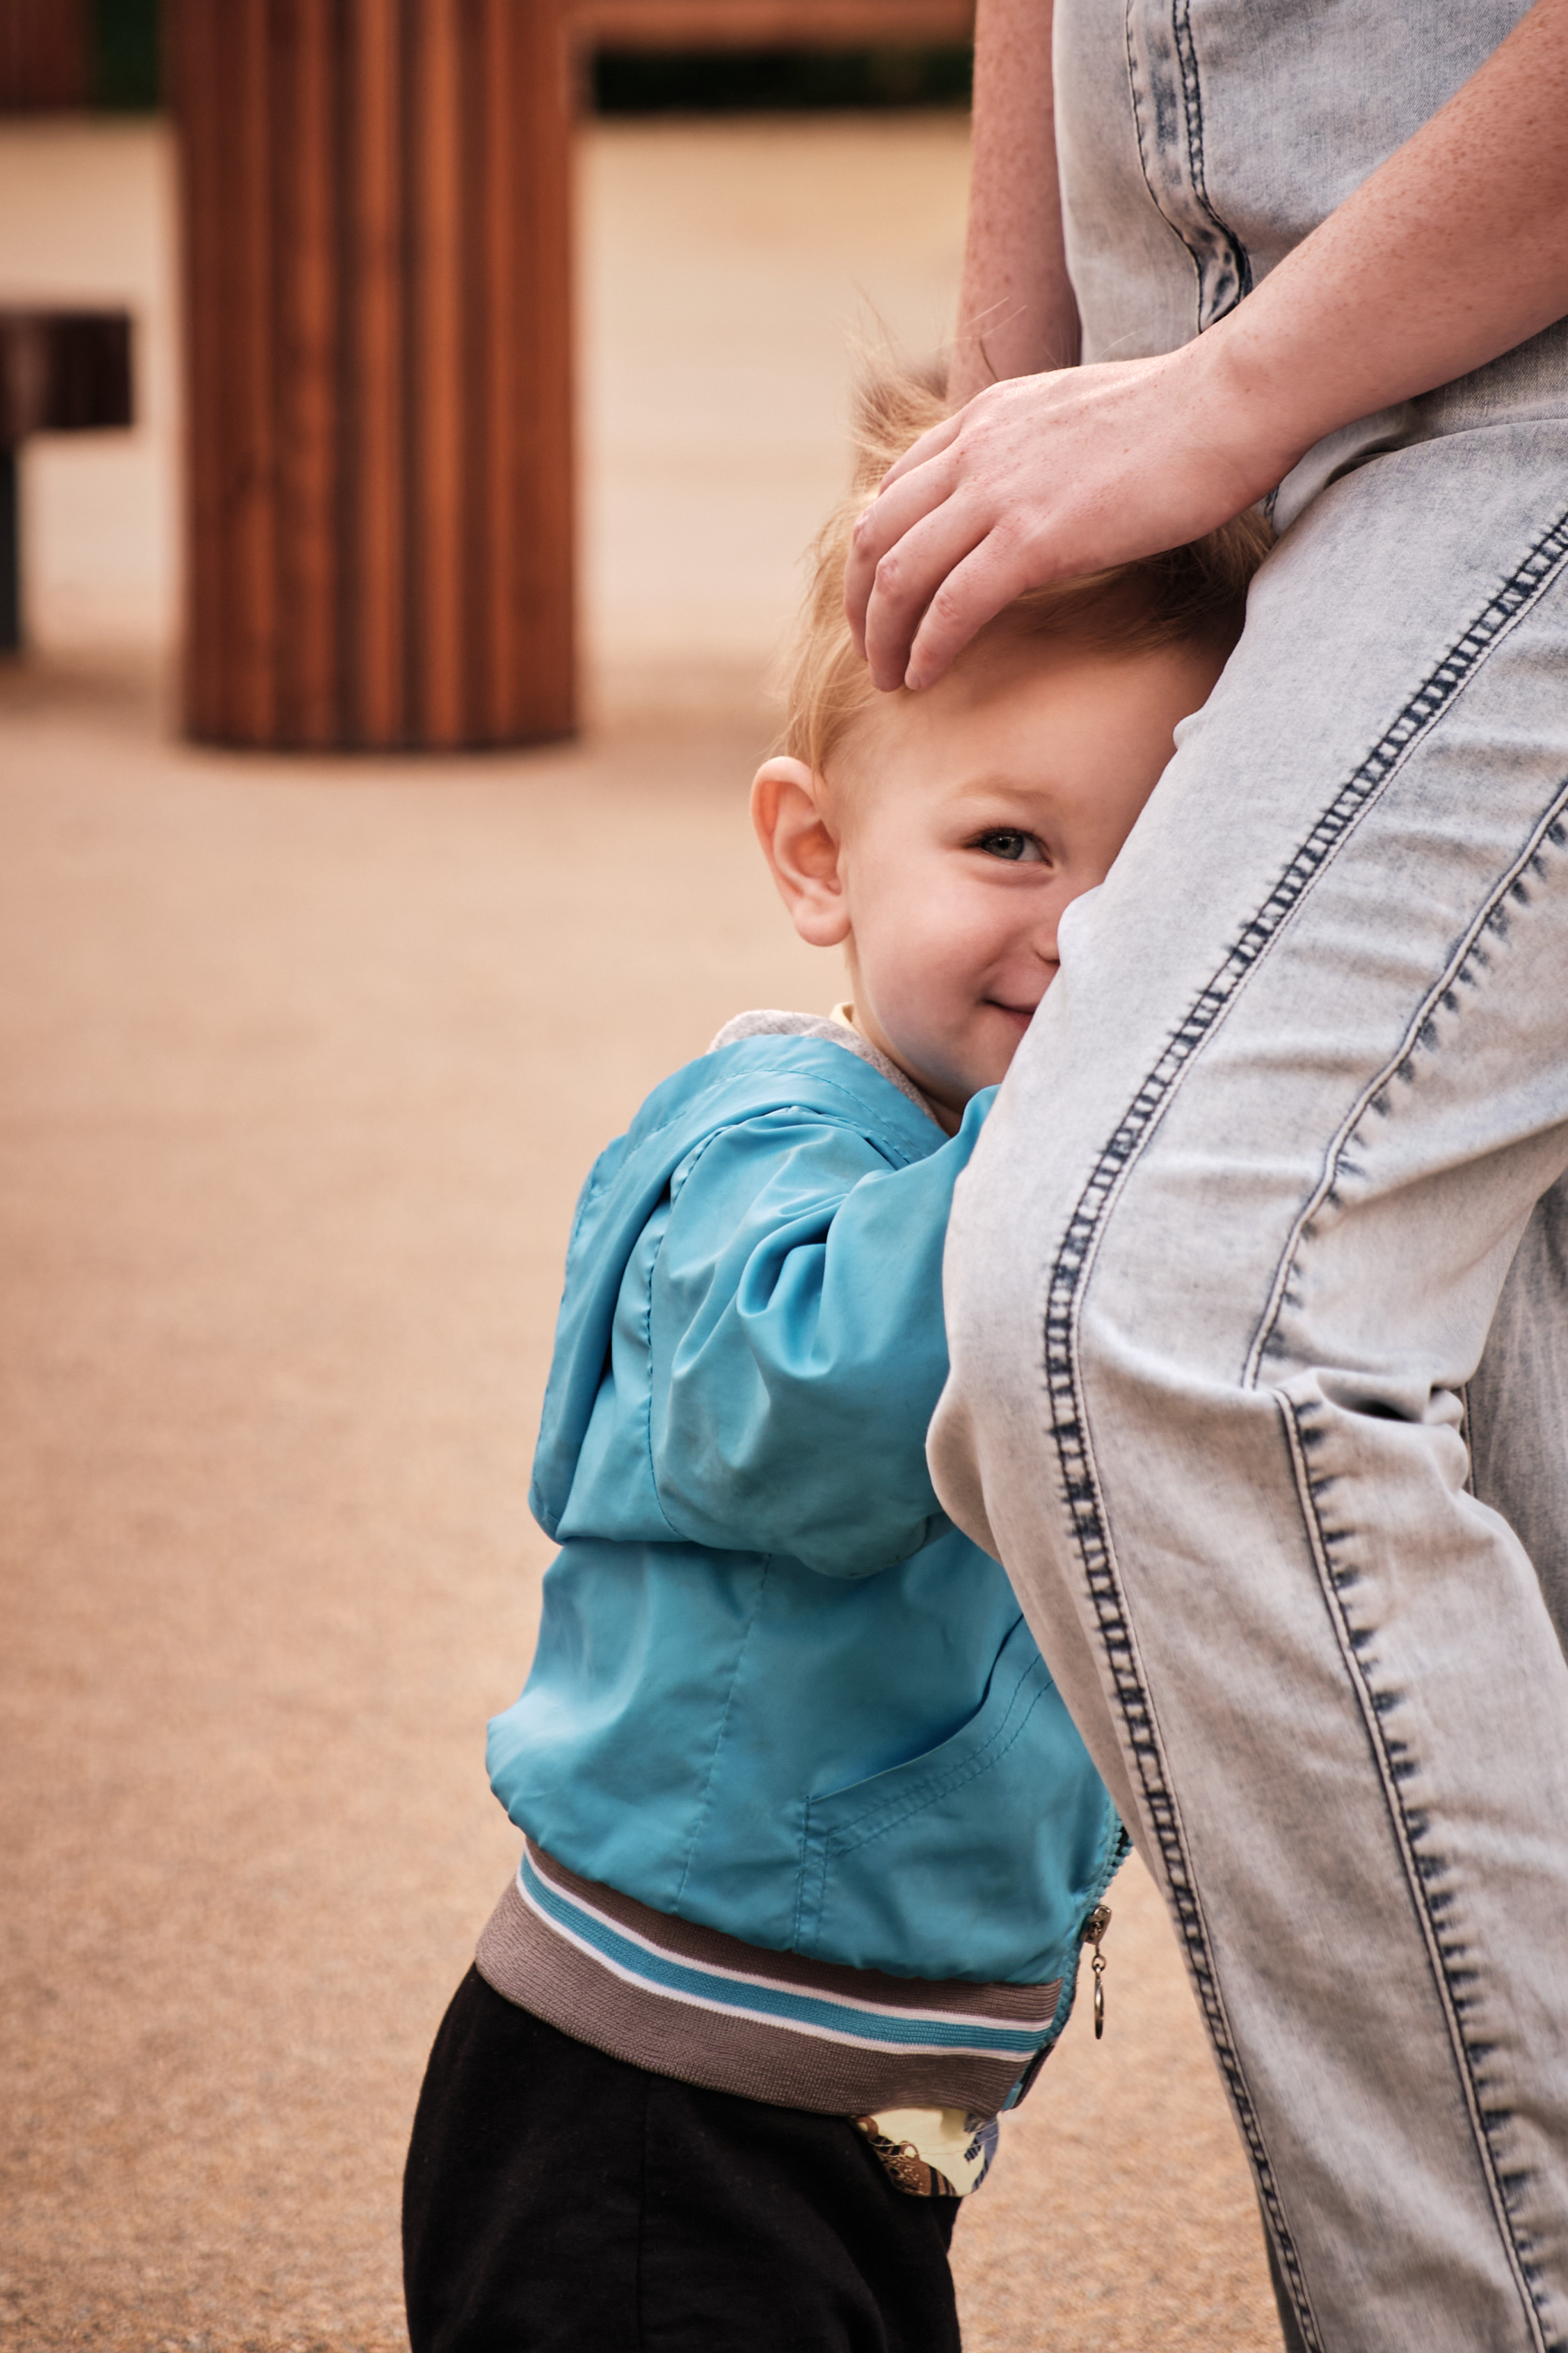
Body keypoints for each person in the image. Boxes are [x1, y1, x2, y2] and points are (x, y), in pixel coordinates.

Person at [400, 376, 1270, 2353]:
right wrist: (1076, 1126)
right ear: (820, 857)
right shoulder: (770, 1152)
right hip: (648, 2099)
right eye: (1012, 842)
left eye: (1165, 879)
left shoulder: (1051, 1178)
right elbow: (800, 1413)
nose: (1095, 944)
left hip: (873, 2106)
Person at [842, 6, 1568, 2348]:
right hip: (1219, 446)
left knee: (1159, 1303)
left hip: (1505, 396)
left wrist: (1230, 396)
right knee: (1519, 1423)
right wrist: (1015, 421)